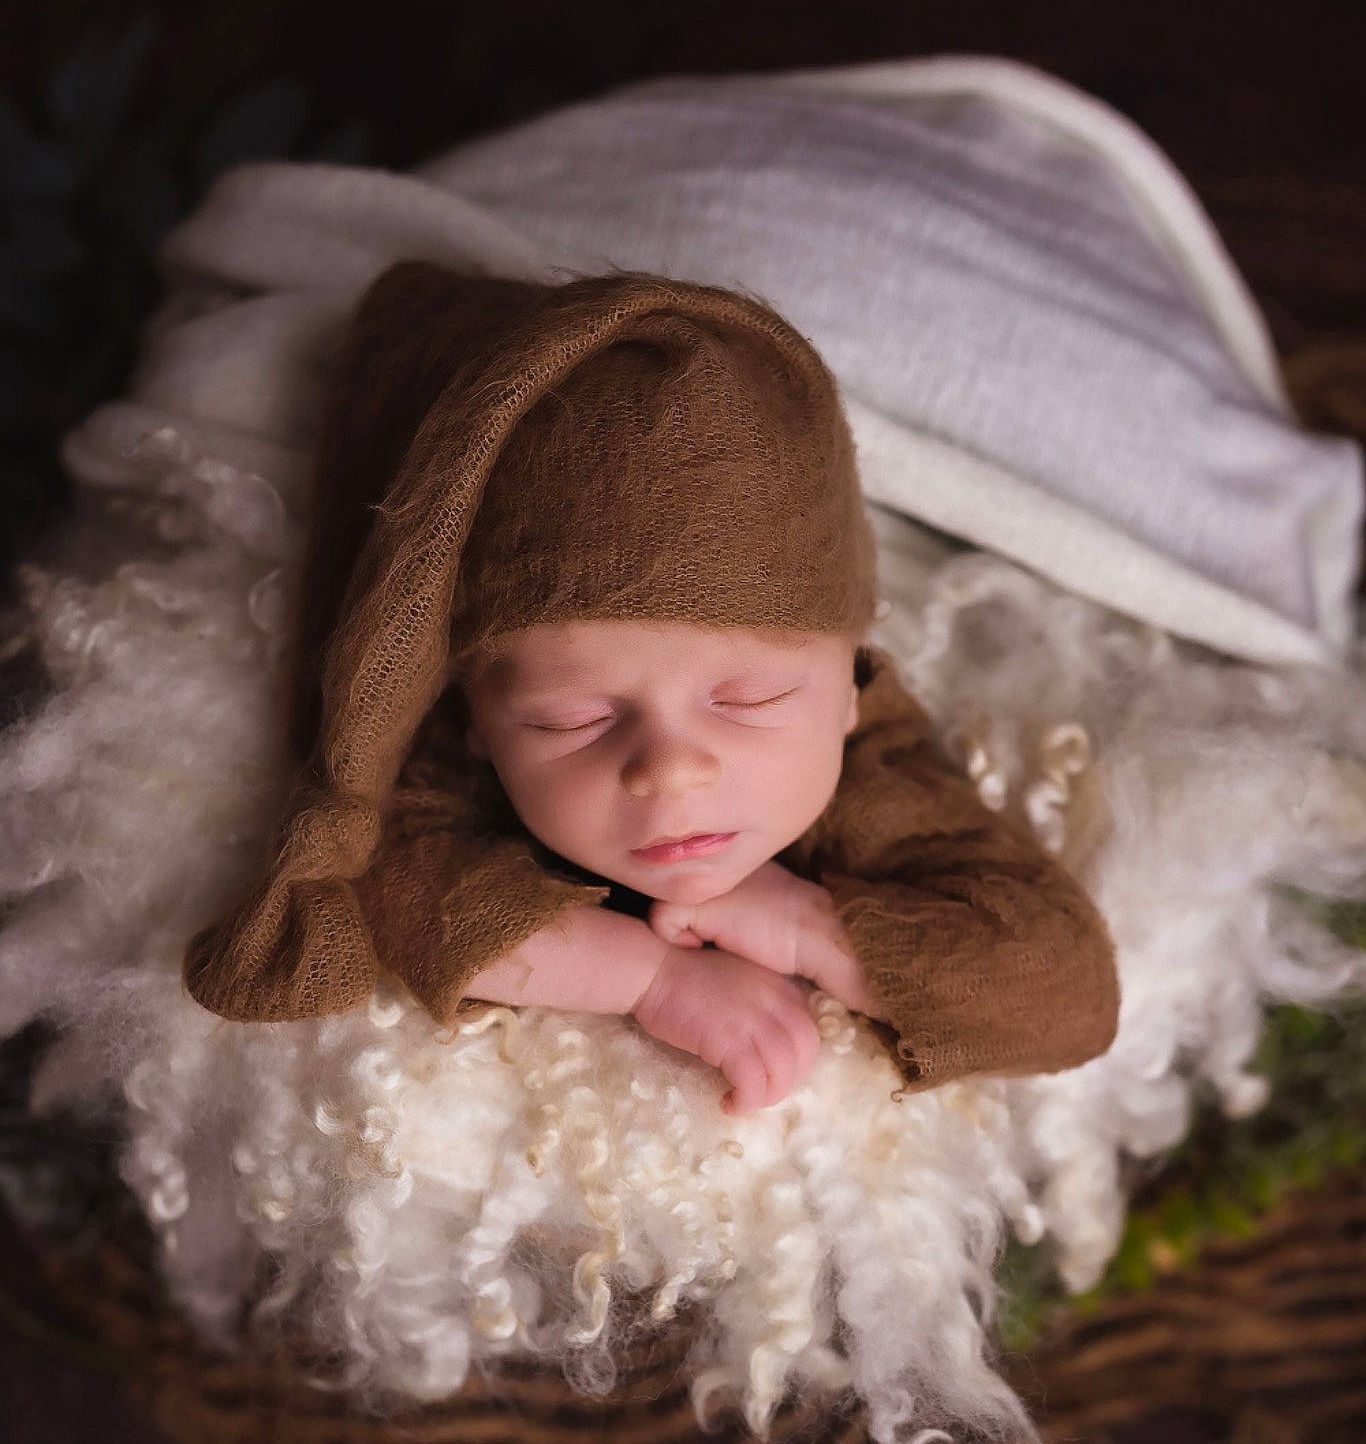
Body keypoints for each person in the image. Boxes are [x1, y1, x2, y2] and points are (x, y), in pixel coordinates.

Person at [183, 261, 1121, 1117]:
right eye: (575, 719)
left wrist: (809, 930)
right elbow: (378, 877)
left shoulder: (876, 774)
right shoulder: (441, 748)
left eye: (750, 699)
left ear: (852, 685)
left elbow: (1067, 996)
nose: (670, 770)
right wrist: (648, 978)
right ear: (475, 720)